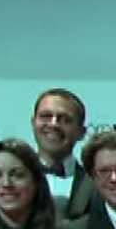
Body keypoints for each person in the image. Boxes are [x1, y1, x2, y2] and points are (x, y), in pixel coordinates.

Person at [30, 88, 97, 220]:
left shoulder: (96, 185)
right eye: (46, 116)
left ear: (81, 132)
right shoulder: (11, 179)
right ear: (33, 123)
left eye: (65, 119)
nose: (53, 124)